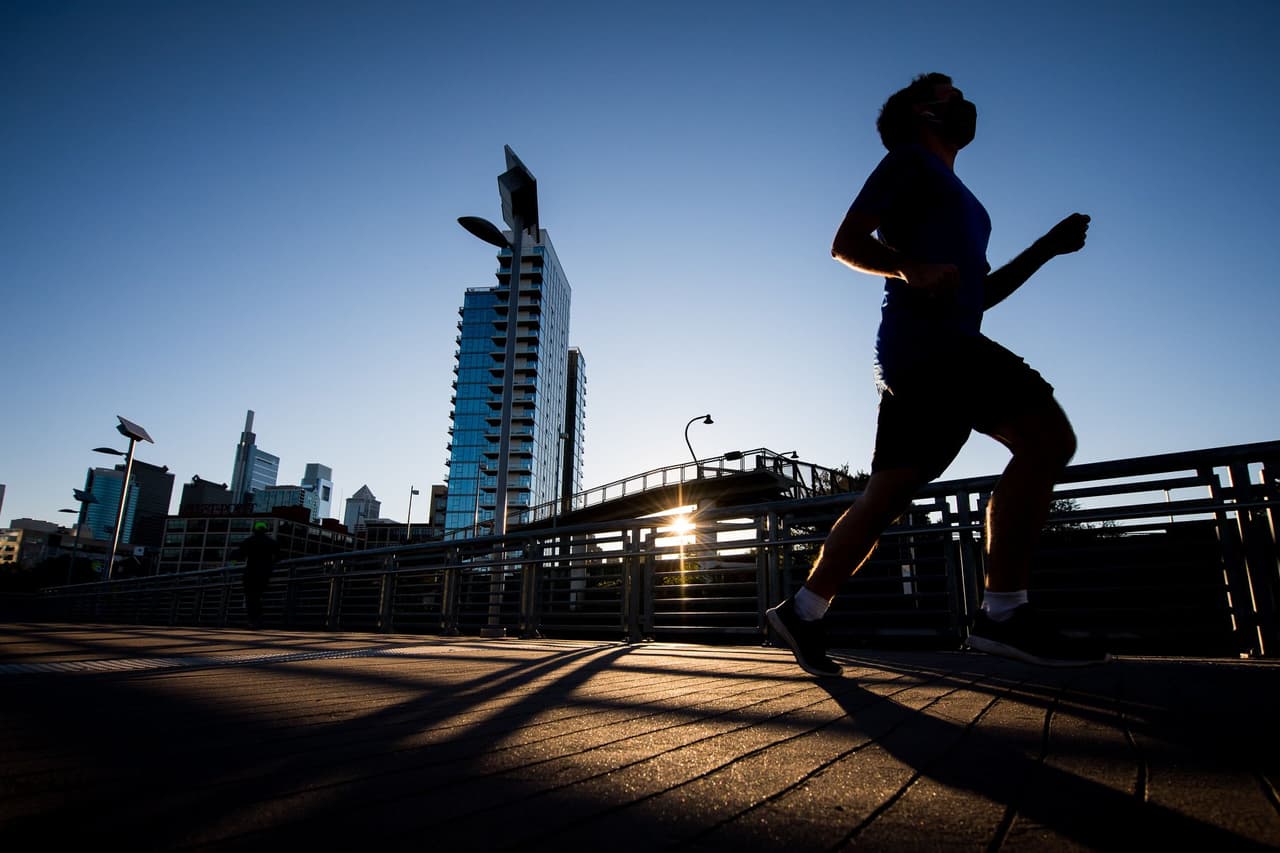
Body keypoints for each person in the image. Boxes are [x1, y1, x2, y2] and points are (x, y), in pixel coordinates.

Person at [767, 72, 1109, 676]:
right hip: (932, 346)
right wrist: (908, 269)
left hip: (924, 350)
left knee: (887, 496)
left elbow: (982, 293)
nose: (966, 101)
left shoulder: (958, 195)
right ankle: (1001, 613)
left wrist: (1045, 248)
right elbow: (845, 242)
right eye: (952, 96)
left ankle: (804, 609)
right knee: (1047, 440)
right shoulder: (908, 162)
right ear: (925, 114)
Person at [233, 521, 281, 629]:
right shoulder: (271, 542)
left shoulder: (249, 541)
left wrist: (234, 562)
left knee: (250, 597)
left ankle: (253, 620)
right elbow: (279, 556)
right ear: (265, 531)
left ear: (254, 530)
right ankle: (259, 619)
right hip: (265, 573)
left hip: (250, 572)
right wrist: (271, 564)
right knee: (258, 596)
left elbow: (239, 555)